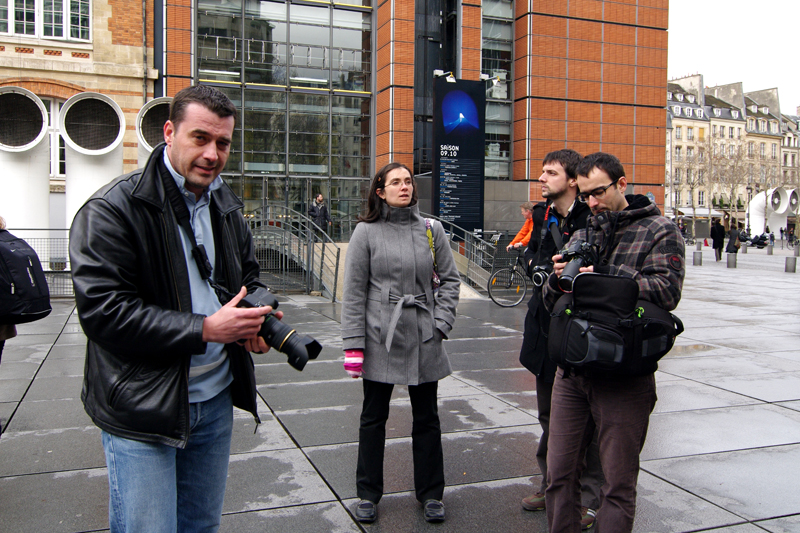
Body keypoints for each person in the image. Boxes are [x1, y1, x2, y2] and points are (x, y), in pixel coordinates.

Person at [69, 85, 277, 533]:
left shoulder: (225, 205)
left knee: (200, 527)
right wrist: (205, 329)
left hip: (215, 400)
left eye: (223, 143)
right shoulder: (111, 209)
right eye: (200, 138)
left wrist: (257, 317)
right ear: (169, 132)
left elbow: (249, 278)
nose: (212, 154)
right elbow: (104, 312)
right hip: (143, 407)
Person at [542, 152, 685, 533]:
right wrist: (557, 279)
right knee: (558, 475)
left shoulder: (660, 230)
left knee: (617, 486)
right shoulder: (586, 229)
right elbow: (550, 299)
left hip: (624, 375)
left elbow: (665, 291)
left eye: (599, 192)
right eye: (586, 195)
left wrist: (601, 276)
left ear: (622, 184)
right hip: (573, 370)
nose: (592, 202)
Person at [341, 162, 460, 524]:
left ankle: (431, 495)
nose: (404, 187)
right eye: (395, 182)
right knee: (373, 418)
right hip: (381, 336)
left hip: (425, 335)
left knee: (428, 418)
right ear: (380, 191)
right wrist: (353, 346)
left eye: (408, 181)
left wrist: (440, 325)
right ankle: (368, 494)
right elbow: (354, 293)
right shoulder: (366, 232)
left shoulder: (431, 229)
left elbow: (451, 281)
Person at [517, 150, 602, 530]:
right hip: (544, 324)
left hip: (580, 328)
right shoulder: (540, 215)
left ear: (572, 181)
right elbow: (531, 257)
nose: (541, 177)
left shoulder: (592, 217)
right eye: (541, 171)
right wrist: (539, 265)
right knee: (550, 413)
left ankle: (588, 497)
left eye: (550, 172)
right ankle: (550, 483)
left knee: (588, 420)